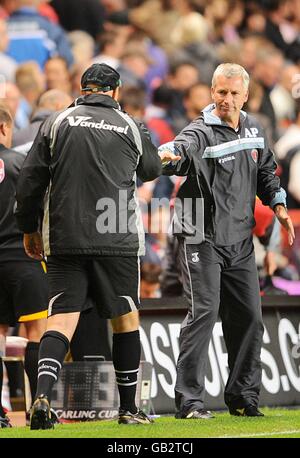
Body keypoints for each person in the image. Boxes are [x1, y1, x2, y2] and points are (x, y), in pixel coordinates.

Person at [15, 63, 162, 429]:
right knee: (125, 320)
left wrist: (29, 229)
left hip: (66, 238)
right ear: (115, 91)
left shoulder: (56, 122)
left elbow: (30, 180)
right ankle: (128, 409)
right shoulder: (128, 124)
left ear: (82, 89)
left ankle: (44, 397)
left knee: (61, 319)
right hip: (117, 237)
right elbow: (152, 169)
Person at [158, 63, 295, 419]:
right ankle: (189, 402)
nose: (227, 100)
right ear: (211, 92)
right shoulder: (199, 132)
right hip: (200, 236)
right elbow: (180, 149)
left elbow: (266, 173)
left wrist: (278, 204)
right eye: (221, 92)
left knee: (250, 316)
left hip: (240, 239)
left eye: (234, 93)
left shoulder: (255, 128)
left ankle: (243, 397)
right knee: (204, 313)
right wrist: (170, 154)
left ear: (246, 95)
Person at [0, 107, 48, 427]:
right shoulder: (21, 164)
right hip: (24, 258)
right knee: (37, 334)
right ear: (4, 129)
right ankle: (38, 409)